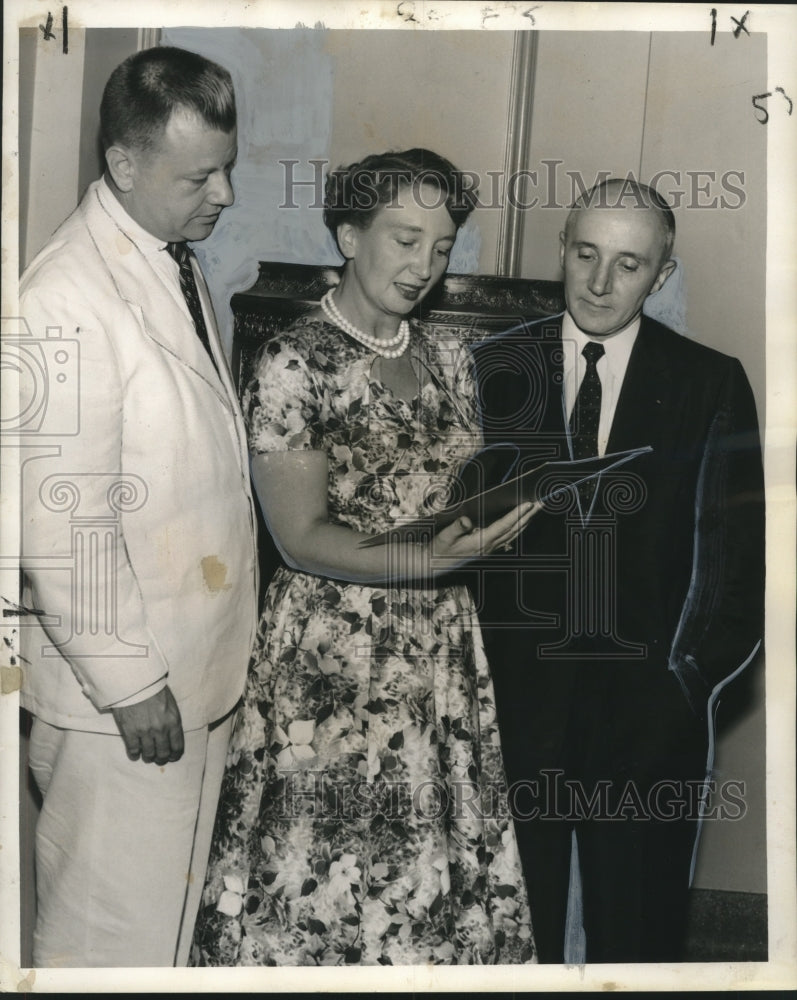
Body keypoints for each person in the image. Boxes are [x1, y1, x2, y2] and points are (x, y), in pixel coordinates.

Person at [191, 149, 537, 966]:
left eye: (442, 245)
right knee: (328, 891)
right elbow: (299, 537)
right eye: (404, 239)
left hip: (439, 652)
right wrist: (435, 562)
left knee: (427, 883)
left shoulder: (449, 358)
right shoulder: (292, 362)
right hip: (336, 661)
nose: (424, 265)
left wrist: (492, 522)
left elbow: (449, 492)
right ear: (348, 234)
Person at [469, 178, 765, 963]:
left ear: (660, 276)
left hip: (646, 714)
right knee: (504, 927)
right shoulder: (490, 369)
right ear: (562, 252)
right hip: (512, 705)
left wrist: (684, 684)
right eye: (585, 255)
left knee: (634, 934)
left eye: (627, 265)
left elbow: (737, 566)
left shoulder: (708, 383)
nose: (599, 284)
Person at [18, 47, 259, 967]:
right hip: (125, 701)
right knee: (105, 950)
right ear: (123, 165)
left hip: (190, 677)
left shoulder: (172, 260)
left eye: (227, 167)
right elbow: (58, 518)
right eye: (200, 174)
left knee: (163, 938)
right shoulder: (64, 298)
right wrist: (129, 682)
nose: (224, 193)